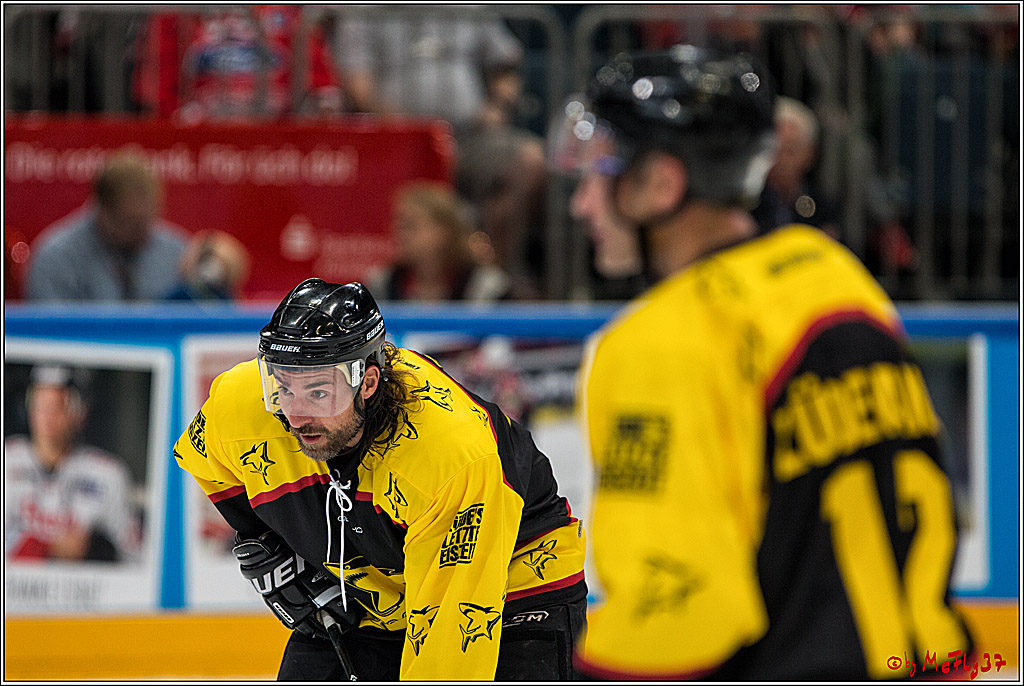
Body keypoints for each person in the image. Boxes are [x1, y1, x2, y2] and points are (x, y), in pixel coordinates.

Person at [551, 45, 972, 679]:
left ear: (661, 184)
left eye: (598, 175)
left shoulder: (659, 342)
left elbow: (679, 612)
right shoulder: (833, 273)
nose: (581, 204)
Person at [173, 278, 587, 680]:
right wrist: (268, 542)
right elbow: (205, 459)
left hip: (516, 579)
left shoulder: (446, 455)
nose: (295, 417)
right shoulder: (242, 404)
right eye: (283, 388)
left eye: (318, 393)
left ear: (367, 382)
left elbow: (449, 645)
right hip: (375, 593)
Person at [5, 365, 140, 562]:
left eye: (59, 406)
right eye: (41, 404)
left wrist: (95, 551)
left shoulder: (107, 473)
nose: (48, 416)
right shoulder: (7, 460)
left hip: (84, 581)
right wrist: (49, 549)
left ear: (79, 412)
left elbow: (134, 558)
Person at [25, 154, 189, 301]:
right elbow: (50, 324)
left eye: (150, 219)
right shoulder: (56, 260)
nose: (144, 232)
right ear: (101, 210)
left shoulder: (178, 254)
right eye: (132, 222)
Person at [367, 180, 511, 303]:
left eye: (409, 225)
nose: (399, 233)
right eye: (397, 225)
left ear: (444, 231)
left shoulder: (487, 288)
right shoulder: (381, 286)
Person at [752, 96, 841, 240]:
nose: (780, 159)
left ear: (810, 154)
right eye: (773, 149)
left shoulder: (824, 210)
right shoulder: (745, 208)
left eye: (790, 151)